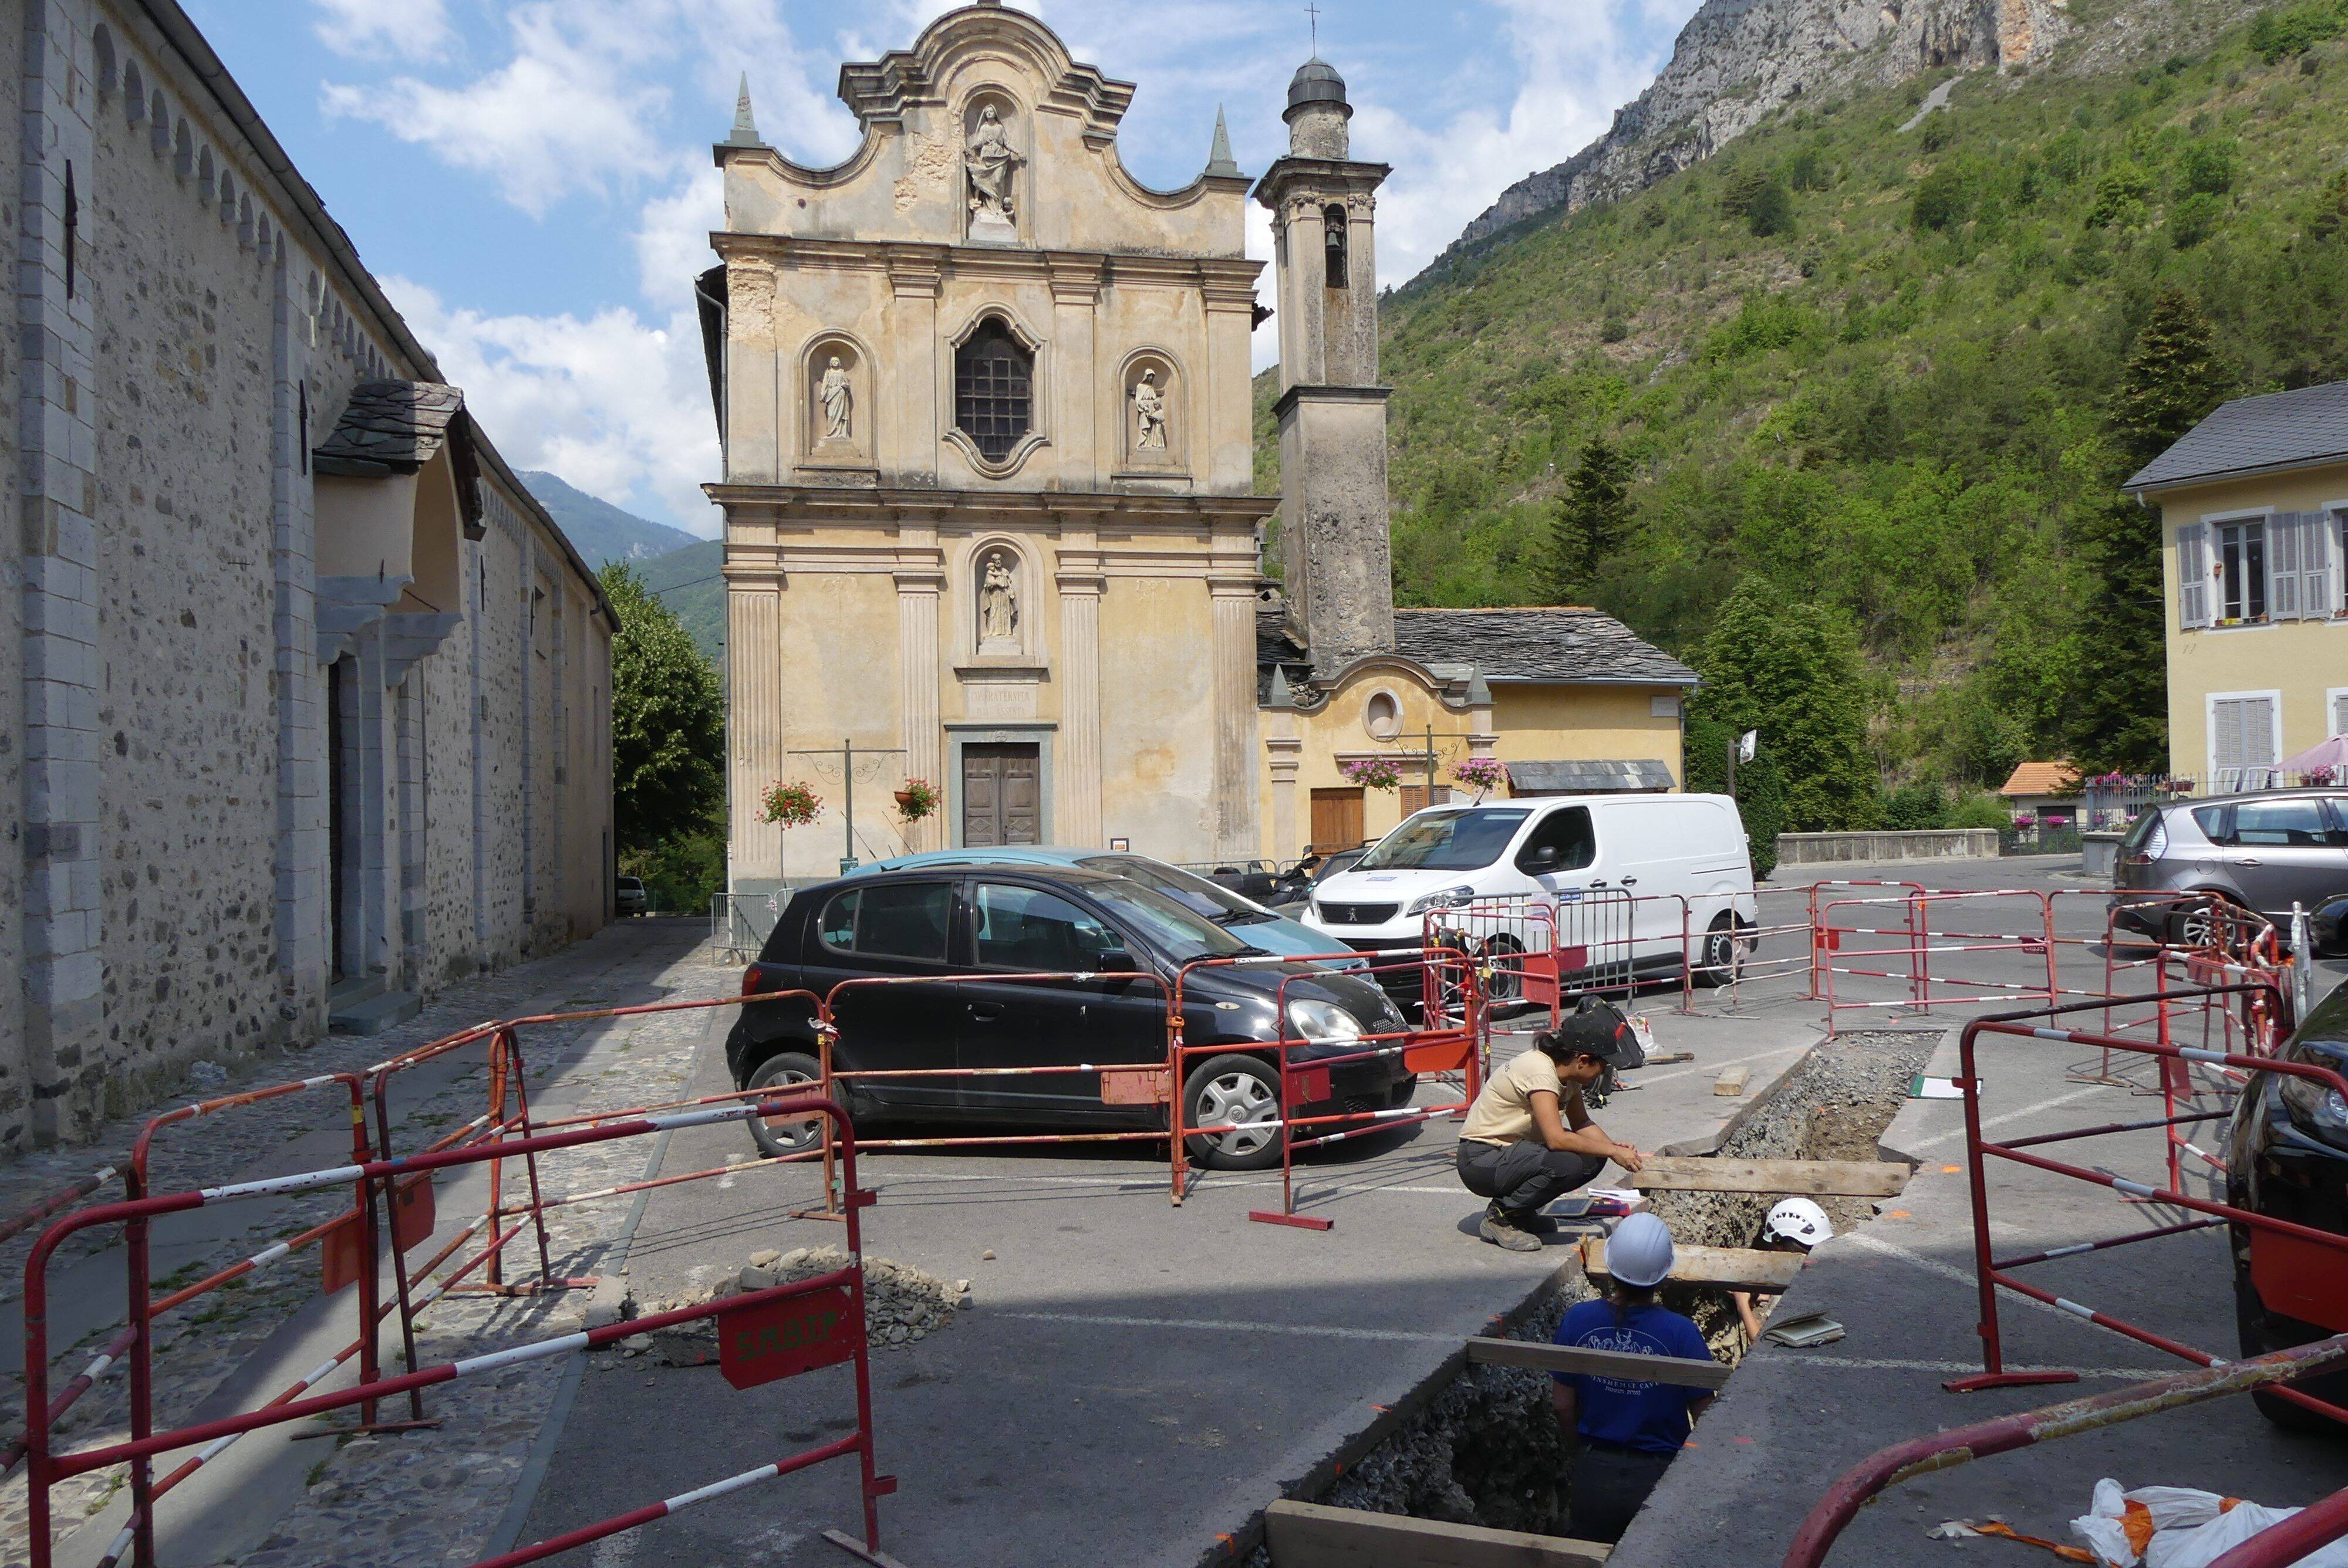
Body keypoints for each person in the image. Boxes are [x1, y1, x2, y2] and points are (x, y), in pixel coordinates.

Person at [1551, 1212, 1715, 1543]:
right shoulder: (1681, 1333)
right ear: (1663, 1275)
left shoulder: (1578, 1320)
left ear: (1611, 1267)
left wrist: (1583, 1454)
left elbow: (1562, 1406)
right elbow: (1707, 1418)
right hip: (1659, 1476)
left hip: (1595, 1474)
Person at [1456, 996, 1647, 1252]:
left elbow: (1581, 1123)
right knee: (1564, 1163)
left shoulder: (1569, 1076)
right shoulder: (1541, 1071)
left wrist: (1614, 1149)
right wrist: (1613, 1150)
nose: (1603, 1074)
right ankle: (1500, 1217)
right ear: (1583, 1061)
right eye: (1601, 1067)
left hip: (1513, 1154)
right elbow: (1556, 1139)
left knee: (1592, 1157)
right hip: (1480, 1159)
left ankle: (1520, 1212)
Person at [1732, 1197, 1833, 1340]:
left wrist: (1742, 1302)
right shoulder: (1824, 1272)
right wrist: (1768, 1295)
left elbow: (1761, 1345)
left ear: (1780, 1243)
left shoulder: (1795, 1292)